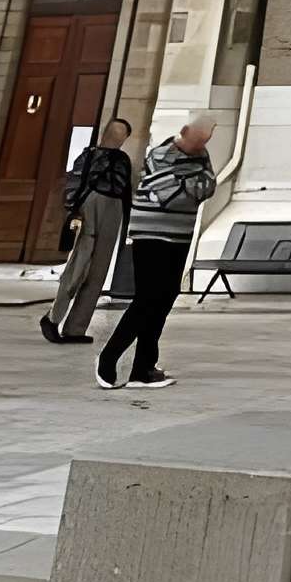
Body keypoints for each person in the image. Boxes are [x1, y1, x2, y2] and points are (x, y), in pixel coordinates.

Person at [96, 116, 215, 390]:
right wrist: (188, 185)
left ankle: (143, 368)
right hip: (151, 233)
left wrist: (185, 184)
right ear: (184, 133)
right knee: (147, 299)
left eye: (205, 141)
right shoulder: (161, 153)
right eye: (198, 140)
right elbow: (169, 193)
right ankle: (108, 357)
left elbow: (208, 186)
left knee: (164, 299)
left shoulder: (200, 156)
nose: (201, 146)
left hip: (179, 236)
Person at [38, 117, 133, 346]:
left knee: (98, 273)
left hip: (113, 210)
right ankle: (53, 318)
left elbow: (125, 191)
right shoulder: (88, 157)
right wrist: (74, 212)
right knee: (77, 268)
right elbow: (74, 185)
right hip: (90, 211)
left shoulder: (121, 160)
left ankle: (76, 328)